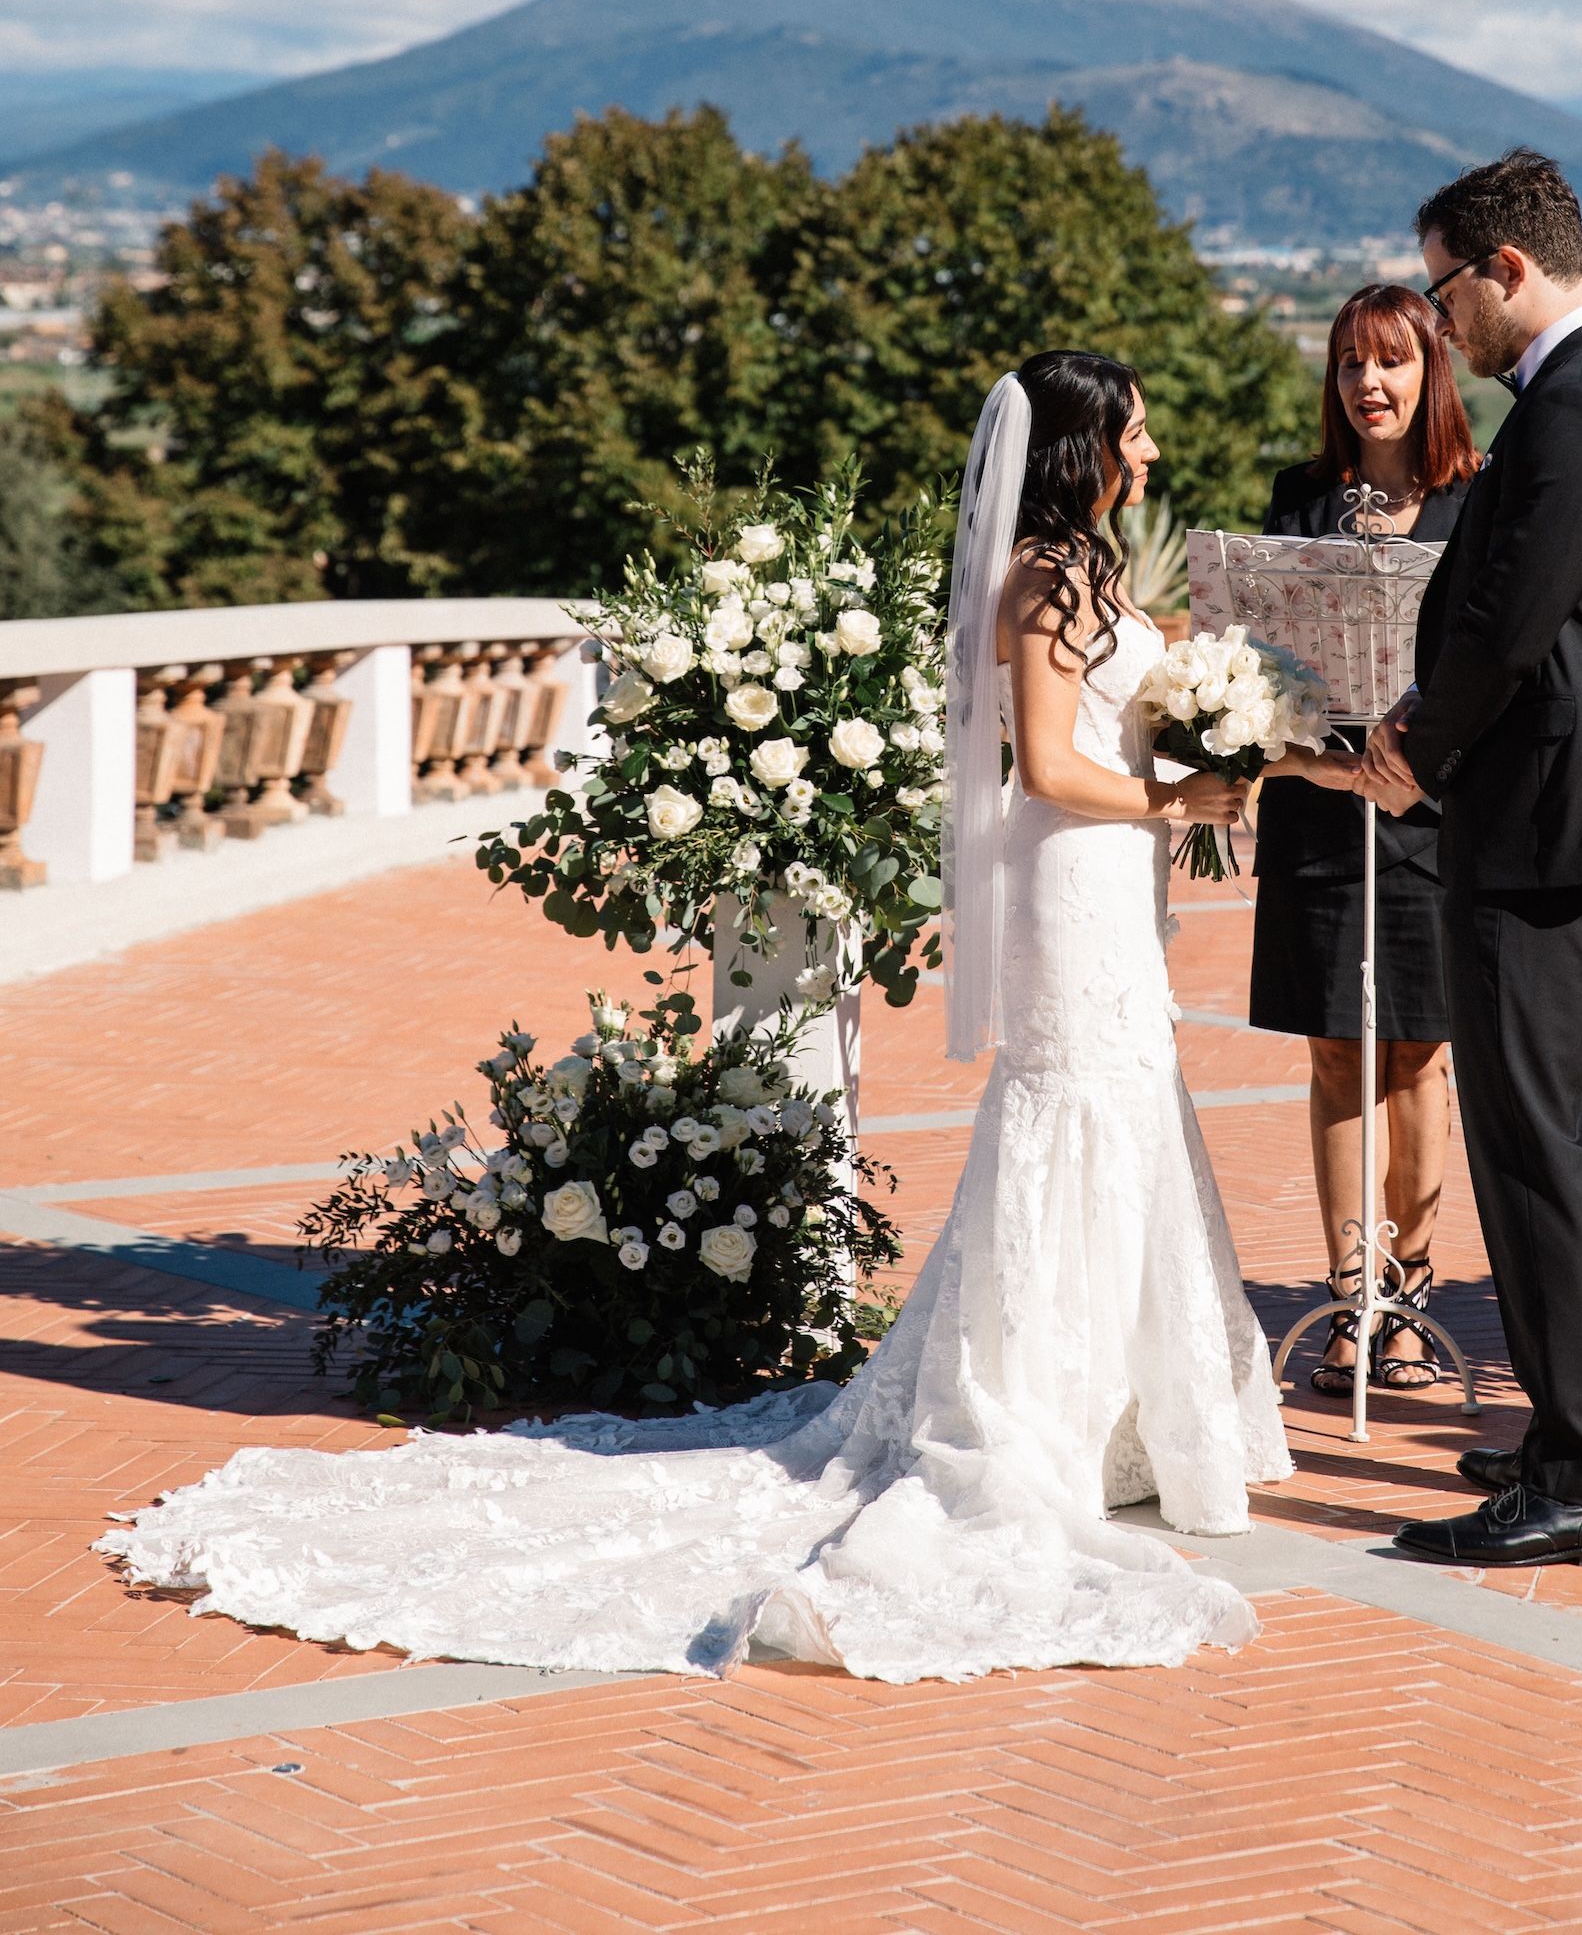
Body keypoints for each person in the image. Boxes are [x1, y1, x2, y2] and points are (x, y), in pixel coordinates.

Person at [105, 350, 1290, 1681]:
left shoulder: (1100, 575)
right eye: (1132, 434)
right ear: (1080, 448)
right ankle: (1038, 1417)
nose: (1149, 453)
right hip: (1069, 874)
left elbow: (1121, 724)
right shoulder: (1039, 579)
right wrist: (1181, 802)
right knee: (1073, 1110)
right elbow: (1055, 760)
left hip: (1109, 882)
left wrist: (1209, 728)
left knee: (1129, 1107)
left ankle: (1122, 1413)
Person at [1363, 150, 1582, 1571]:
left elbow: (1509, 624)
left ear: (1506, 269)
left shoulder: (1580, 408)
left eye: (1443, 294)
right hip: (1576, 816)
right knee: (1580, 1136)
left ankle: (1578, 1475)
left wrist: (1409, 750)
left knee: (1537, 1146)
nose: (1441, 328)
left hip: (1544, 821)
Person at [1251, 285, 1477, 1392]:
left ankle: (1415, 1293)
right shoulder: (1298, 498)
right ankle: (1350, 1296)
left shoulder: (1476, 504)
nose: (1366, 384)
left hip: (1433, 816)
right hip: (1316, 811)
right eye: (1347, 363)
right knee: (1336, 1049)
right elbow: (1259, 653)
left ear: (1432, 372)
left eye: (1387, 362)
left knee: (1417, 1053)